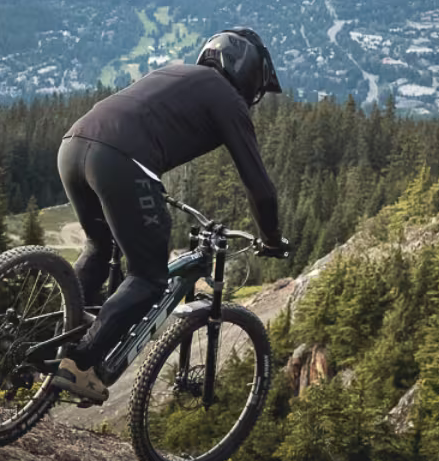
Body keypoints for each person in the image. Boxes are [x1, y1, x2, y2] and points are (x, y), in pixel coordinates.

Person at [49, 27, 287, 405]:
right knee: (148, 275)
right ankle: (79, 363)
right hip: (120, 160)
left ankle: (54, 337)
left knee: (99, 246)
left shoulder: (178, 74)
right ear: (247, 72)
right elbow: (258, 185)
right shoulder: (226, 97)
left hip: (73, 145)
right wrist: (271, 238)